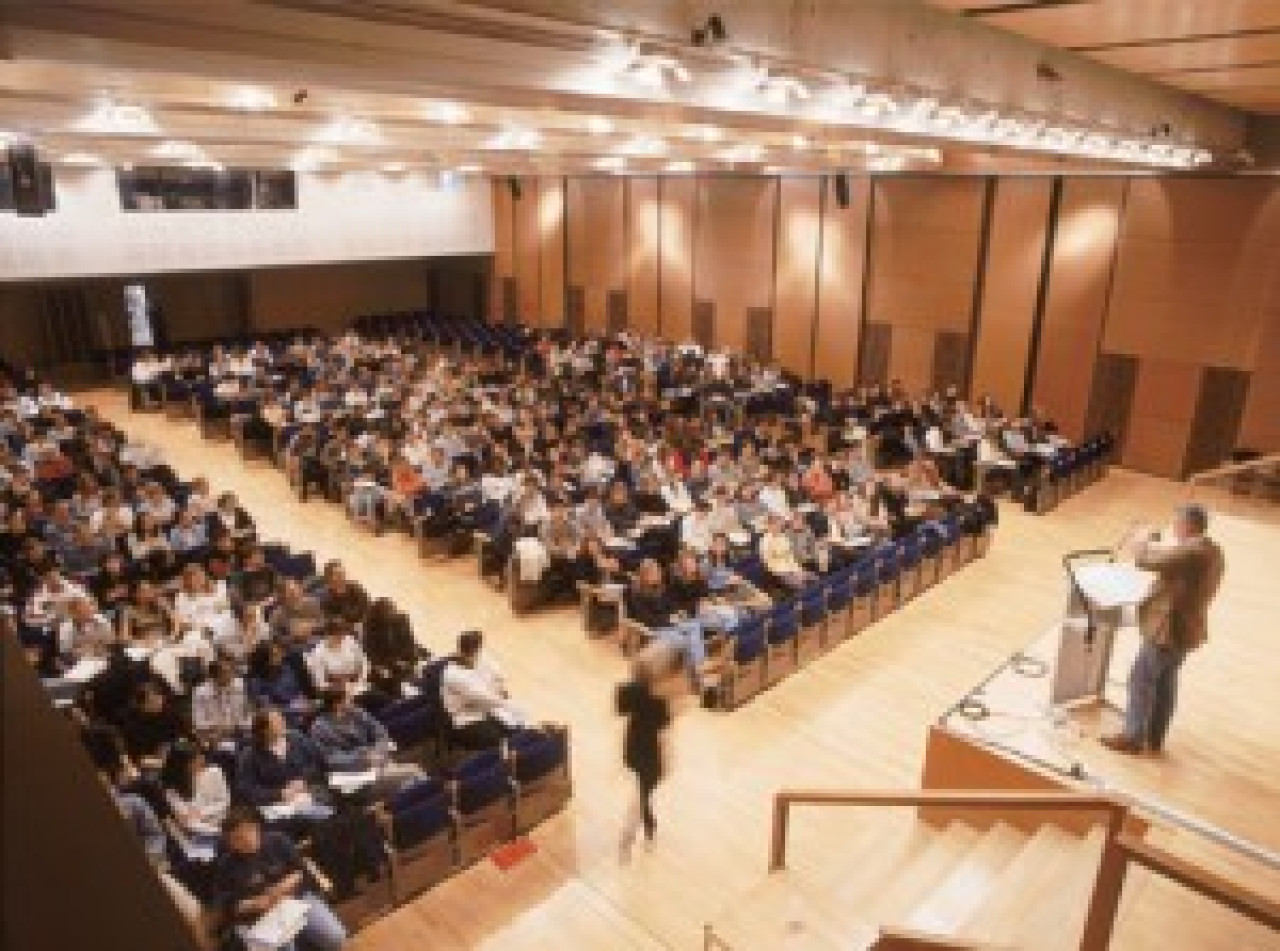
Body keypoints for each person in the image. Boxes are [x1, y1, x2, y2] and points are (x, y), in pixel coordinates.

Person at [1102, 503, 1224, 755]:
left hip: (1167, 629)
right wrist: (1156, 543)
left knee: (1141, 680)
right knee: (1166, 683)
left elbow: (1146, 560)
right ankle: (1154, 737)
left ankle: (1132, 738)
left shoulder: (1191, 553)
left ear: (1188, 525)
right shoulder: (1212, 550)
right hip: (1187, 628)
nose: (1174, 528)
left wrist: (1142, 539)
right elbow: (1176, 559)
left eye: (1177, 523)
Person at [211, 806, 348, 951]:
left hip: (297, 900)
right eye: (238, 838)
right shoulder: (226, 867)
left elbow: (302, 871)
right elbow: (226, 905)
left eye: (249, 831)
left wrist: (284, 887)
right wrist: (253, 904)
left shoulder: (278, 840)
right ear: (230, 843)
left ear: (257, 828)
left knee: (337, 937)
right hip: (260, 917)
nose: (247, 840)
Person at [616, 644, 673, 861]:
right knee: (642, 795)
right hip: (649, 753)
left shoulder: (627, 692)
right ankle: (632, 836)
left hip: (634, 748)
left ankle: (645, 829)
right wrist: (667, 759)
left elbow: (620, 709)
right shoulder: (659, 702)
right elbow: (663, 735)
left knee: (642, 793)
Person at [439, 630, 523, 749]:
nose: (478, 654)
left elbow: (496, 673)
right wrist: (506, 702)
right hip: (466, 718)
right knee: (499, 741)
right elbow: (481, 697)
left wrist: (501, 686)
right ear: (464, 652)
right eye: (475, 651)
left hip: (487, 709)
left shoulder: (479, 659)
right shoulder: (453, 675)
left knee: (516, 727)